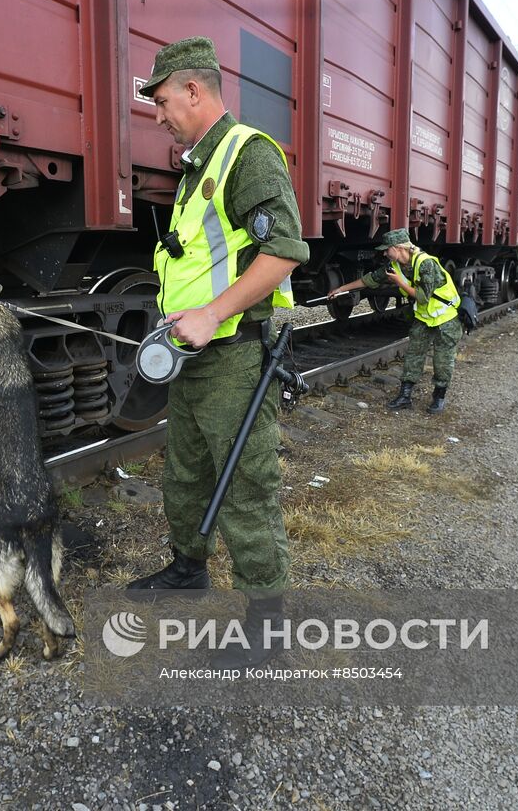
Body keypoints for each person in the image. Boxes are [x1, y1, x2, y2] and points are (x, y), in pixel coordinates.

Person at [126, 37, 309, 638]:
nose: (157, 113)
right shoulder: (196, 166)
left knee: (245, 482)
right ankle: (187, 570)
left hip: (233, 354)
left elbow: (283, 252)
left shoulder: (247, 154)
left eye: (160, 99)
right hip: (191, 354)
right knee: (186, 473)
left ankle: (266, 619)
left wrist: (210, 315)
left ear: (194, 90)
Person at [326, 228, 462, 413]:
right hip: (424, 318)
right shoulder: (395, 266)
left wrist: (399, 282)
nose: (384, 253)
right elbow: (370, 280)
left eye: (386, 249)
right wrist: (341, 289)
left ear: (398, 248)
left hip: (446, 319)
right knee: (413, 356)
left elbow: (423, 298)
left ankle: (439, 397)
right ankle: (405, 396)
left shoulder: (426, 264)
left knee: (442, 361)